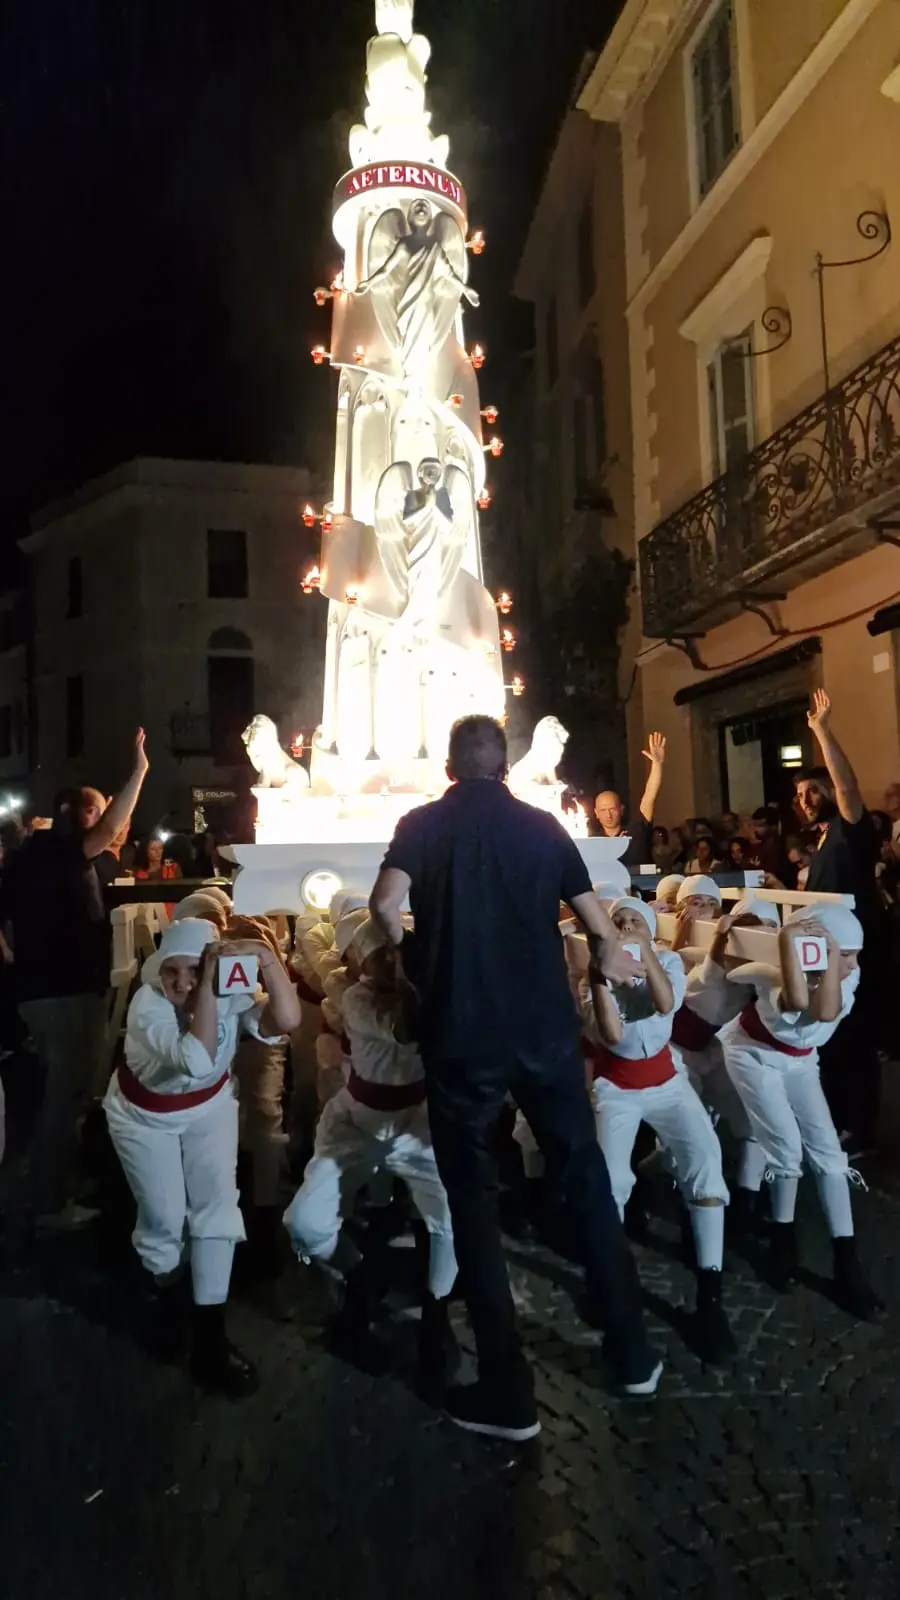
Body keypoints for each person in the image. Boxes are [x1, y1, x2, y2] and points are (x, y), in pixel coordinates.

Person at [370, 714, 661, 1442]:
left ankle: (508, 1388)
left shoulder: (421, 823)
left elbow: (381, 904)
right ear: (503, 766)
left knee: (472, 1197)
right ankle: (632, 1352)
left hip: (461, 1031)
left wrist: (415, 953)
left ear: (447, 766)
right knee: (583, 1174)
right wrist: (607, 956)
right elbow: (594, 920)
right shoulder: (541, 827)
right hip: (542, 1030)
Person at [104, 917, 301, 1395]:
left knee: (217, 1211)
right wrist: (211, 985)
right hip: (143, 1119)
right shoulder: (147, 1005)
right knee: (166, 1221)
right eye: (174, 971)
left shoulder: (224, 992)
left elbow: (288, 1021)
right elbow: (196, 1056)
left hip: (207, 1109)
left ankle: (211, 1338)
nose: (183, 982)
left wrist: (268, 963)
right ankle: (167, 1300)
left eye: (195, 970)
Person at [284, 917, 458, 1391]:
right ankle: (360, 1274)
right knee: (304, 1224)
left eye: (394, 950)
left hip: (416, 1119)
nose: (387, 960)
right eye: (378, 952)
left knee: (451, 1217)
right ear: (358, 960)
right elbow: (403, 1030)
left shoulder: (425, 990)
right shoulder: (354, 997)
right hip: (357, 1121)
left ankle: (436, 1314)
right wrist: (410, 975)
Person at [0, 730, 150, 1229]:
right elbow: (110, 829)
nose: (115, 821)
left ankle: (54, 1182)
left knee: (62, 1093)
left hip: (40, 991)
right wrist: (140, 770)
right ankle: (49, 1203)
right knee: (66, 1096)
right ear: (79, 815)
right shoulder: (61, 849)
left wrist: (14, 962)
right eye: (102, 810)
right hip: (63, 993)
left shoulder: (29, 855)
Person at [584, 896, 734, 1364]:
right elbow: (610, 1034)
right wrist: (598, 976)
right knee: (608, 1184)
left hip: (667, 1080)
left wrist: (643, 952)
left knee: (706, 1162)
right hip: (618, 1086)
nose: (627, 927)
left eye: (636, 922)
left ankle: (710, 1294)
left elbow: (665, 1003)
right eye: (619, 922)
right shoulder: (593, 972)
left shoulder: (666, 961)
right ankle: (611, 1283)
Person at [719, 902, 882, 1318]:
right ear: (815, 949)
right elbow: (806, 1002)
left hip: (800, 1059)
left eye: (854, 954)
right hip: (753, 1054)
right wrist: (790, 943)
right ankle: (782, 1237)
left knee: (829, 1155)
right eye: (843, 953)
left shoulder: (847, 974)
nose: (852, 964)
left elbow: (825, 1008)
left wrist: (825, 958)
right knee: (786, 1151)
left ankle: (847, 1264)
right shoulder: (778, 976)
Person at [795, 690, 883, 1152]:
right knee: (831, 1040)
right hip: (827, 955)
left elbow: (848, 789)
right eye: (801, 795)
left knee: (854, 1041)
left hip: (856, 954)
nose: (806, 800)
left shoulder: (851, 828)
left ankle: (860, 1130)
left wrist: (822, 731)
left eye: (814, 791)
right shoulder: (825, 839)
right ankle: (834, 1120)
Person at [671, 897, 780, 1230]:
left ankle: (747, 1201)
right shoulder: (711, 963)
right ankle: (687, 1207)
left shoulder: (758, 981)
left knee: (754, 1123)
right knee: (686, 1136)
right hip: (674, 1053)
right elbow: (711, 969)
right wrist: (718, 934)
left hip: (712, 1052)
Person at [589, 732, 667, 868]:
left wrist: (657, 765)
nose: (608, 814)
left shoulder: (636, 833)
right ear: (596, 813)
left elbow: (649, 796)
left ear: (621, 809)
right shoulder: (591, 843)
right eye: (603, 810)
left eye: (612, 809)